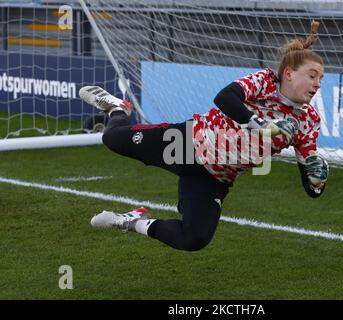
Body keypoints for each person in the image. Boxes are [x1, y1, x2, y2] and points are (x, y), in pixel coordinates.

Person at [79, 20, 329, 252]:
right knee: (111, 139)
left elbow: (310, 184)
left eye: (320, 78)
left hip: (216, 175)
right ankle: (117, 108)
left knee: (194, 239)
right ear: (288, 73)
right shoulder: (265, 81)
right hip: (184, 144)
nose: (317, 84)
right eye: (312, 75)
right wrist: (261, 126)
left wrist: (316, 181)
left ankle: (132, 222)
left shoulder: (308, 121)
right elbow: (225, 98)